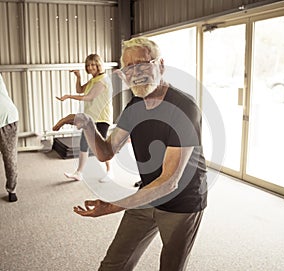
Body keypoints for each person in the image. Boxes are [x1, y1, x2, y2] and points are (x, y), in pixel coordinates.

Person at [53, 37, 208, 271]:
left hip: (182, 202)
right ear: (123, 74)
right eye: (129, 67)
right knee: (114, 264)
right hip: (146, 194)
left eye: (143, 63)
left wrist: (114, 205)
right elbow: (106, 153)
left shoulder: (184, 107)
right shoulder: (134, 105)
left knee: (171, 267)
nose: (136, 72)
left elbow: (169, 182)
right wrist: (87, 124)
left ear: (161, 65)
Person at [56, 54, 113, 182]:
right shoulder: (94, 79)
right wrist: (78, 77)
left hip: (101, 118)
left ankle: (110, 172)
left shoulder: (103, 80)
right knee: (84, 144)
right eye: (88, 65)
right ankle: (79, 173)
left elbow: (89, 97)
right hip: (90, 117)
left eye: (93, 64)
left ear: (98, 65)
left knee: (101, 148)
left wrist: (68, 97)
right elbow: (80, 90)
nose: (90, 67)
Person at [0, 73, 19, 202]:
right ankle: (12, 190)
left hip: (7, 119)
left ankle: (12, 190)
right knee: (9, 157)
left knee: (9, 157)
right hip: (8, 117)